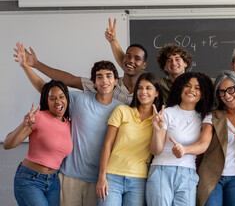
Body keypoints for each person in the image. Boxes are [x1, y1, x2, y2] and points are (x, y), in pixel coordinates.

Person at [14, 42, 124, 206]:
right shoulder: (78, 100)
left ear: (116, 81)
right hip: (69, 177)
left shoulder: (121, 110)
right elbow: (46, 91)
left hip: (98, 180)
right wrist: (26, 67)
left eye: (108, 76)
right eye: (99, 77)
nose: (104, 80)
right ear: (93, 82)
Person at [18, 20, 148, 104]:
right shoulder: (106, 85)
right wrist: (36, 64)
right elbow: (70, 79)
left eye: (137, 59)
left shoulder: (147, 90)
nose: (130, 61)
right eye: (127, 56)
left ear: (143, 65)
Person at [146, 72, 214, 206]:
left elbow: (203, 144)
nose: (191, 90)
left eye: (197, 88)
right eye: (187, 86)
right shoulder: (167, 113)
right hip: (162, 170)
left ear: (203, 94)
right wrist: (157, 130)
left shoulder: (205, 117)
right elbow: (155, 150)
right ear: (180, 89)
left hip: (188, 173)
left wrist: (184, 150)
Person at [96, 73, 163, 206]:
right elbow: (107, 145)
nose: (143, 92)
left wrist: (157, 129)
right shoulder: (122, 111)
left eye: (148, 88)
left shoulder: (160, 120)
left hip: (139, 180)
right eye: (140, 88)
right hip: (112, 176)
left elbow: (155, 151)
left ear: (157, 93)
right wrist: (102, 177)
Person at [4, 80, 72, 206]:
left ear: (67, 99)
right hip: (30, 180)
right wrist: (24, 126)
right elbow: (7, 144)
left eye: (61, 97)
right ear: (47, 101)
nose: (58, 101)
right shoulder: (39, 117)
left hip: (53, 182)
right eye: (52, 98)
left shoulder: (69, 125)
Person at [195, 70, 235, 206]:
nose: (226, 95)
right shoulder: (212, 116)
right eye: (221, 92)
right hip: (212, 176)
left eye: (230, 89)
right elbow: (203, 143)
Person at [106, 18, 193, 104]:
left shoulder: (196, 85)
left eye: (177, 59)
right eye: (169, 61)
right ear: (165, 67)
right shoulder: (159, 83)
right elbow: (130, 65)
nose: (174, 63)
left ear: (185, 63)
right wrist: (113, 41)